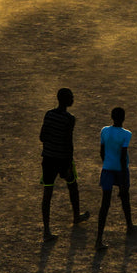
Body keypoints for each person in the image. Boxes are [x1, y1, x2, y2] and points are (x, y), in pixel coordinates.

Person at [39, 88, 90, 242]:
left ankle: (46, 230)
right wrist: (68, 164)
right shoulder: (69, 118)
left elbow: (42, 136)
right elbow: (69, 143)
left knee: (47, 193)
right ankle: (76, 216)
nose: (73, 99)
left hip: (48, 159)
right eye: (71, 97)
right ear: (67, 100)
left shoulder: (49, 114)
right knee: (72, 186)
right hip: (62, 159)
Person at [94, 106, 137, 250]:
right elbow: (122, 156)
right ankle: (129, 226)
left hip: (107, 169)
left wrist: (107, 162)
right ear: (124, 118)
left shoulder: (104, 131)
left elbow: (102, 152)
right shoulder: (126, 134)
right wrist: (121, 179)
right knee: (125, 197)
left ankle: (99, 239)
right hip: (121, 170)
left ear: (112, 117)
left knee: (105, 204)